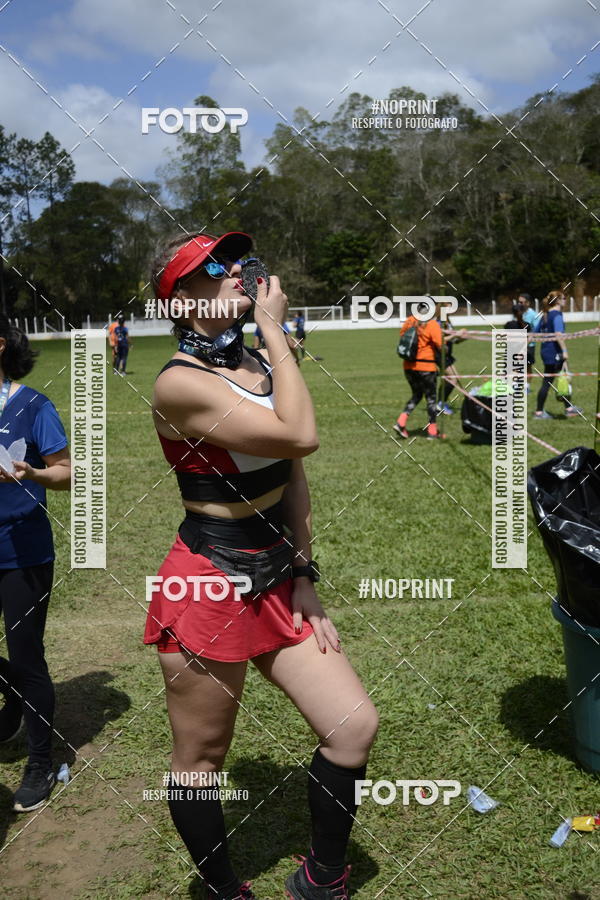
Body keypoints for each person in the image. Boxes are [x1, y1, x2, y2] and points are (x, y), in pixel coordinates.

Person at [144, 232, 378, 900]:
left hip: (275, 575)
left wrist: (305, 576)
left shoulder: (261, 361)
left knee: (352, 726)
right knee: (202, 759)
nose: (237, 273)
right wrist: (276, 332)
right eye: (213, 268)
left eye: (236, 261)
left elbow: (295, 477)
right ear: (181, 298)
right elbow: (300, 432)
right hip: (209, 583)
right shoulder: (179, 384)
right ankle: (223, 888)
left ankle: (322, 879)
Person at [0, 314, 71, 812]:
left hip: (21, 553)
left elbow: (66, 472)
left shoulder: (33, 405)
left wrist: (33, 473)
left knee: (27, 658)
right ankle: (12, 703)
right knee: (18, 670)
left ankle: (41, 762)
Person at [394, 302, 444, 439]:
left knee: (417, 394)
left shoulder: (410, 320)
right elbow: (441, 345)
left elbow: (402, 337)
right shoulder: (432, 324)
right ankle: (432, 431)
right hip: (426, 367)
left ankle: (401, 421)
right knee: (431, 398)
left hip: (409, 366)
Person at [533, 290, 581, 418]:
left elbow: (536, 333)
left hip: (545, 352)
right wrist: (564, 351)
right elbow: (559, 335)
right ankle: (539, 412)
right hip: (555, 353)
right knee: (549, 381)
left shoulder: (545, 315)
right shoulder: (556, 315)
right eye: (564, 298)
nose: (565, 300)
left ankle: (568, 408)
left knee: (561, 378)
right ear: (558, 301)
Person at [436, 311, 467, 416]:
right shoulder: (437, 322)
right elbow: (439, 339)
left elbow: (454, 341)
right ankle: (440, 404)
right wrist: (455, 334)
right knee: (453, 378)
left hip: (447, 355)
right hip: (439, 354)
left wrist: (463, 337)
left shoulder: (447, 322)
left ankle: (439, 403)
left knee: (448, 379)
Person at [518, 293, 539, 388]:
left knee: (527, 366)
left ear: (528, 303)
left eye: (522, 302)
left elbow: (536, 330)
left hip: (529, 345)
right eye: (519, 302)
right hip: (517, 344)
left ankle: (527, 386)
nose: (520, 304)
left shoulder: (533, 314)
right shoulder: (518, 313)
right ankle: (517, 385)